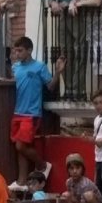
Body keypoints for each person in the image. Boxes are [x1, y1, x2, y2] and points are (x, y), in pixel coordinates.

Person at [10, 36, 65, 188]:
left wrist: (58, 72)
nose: (17, 54)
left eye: (20, 51)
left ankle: (42, 166)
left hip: (32, 113)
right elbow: (13, 83)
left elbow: (50, 86)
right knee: (19, 148)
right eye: (15, 51)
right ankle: (21, 182)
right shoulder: (15, 67)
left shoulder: (39, 66)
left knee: (21, 146)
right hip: (18, 111)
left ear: (29, 50)